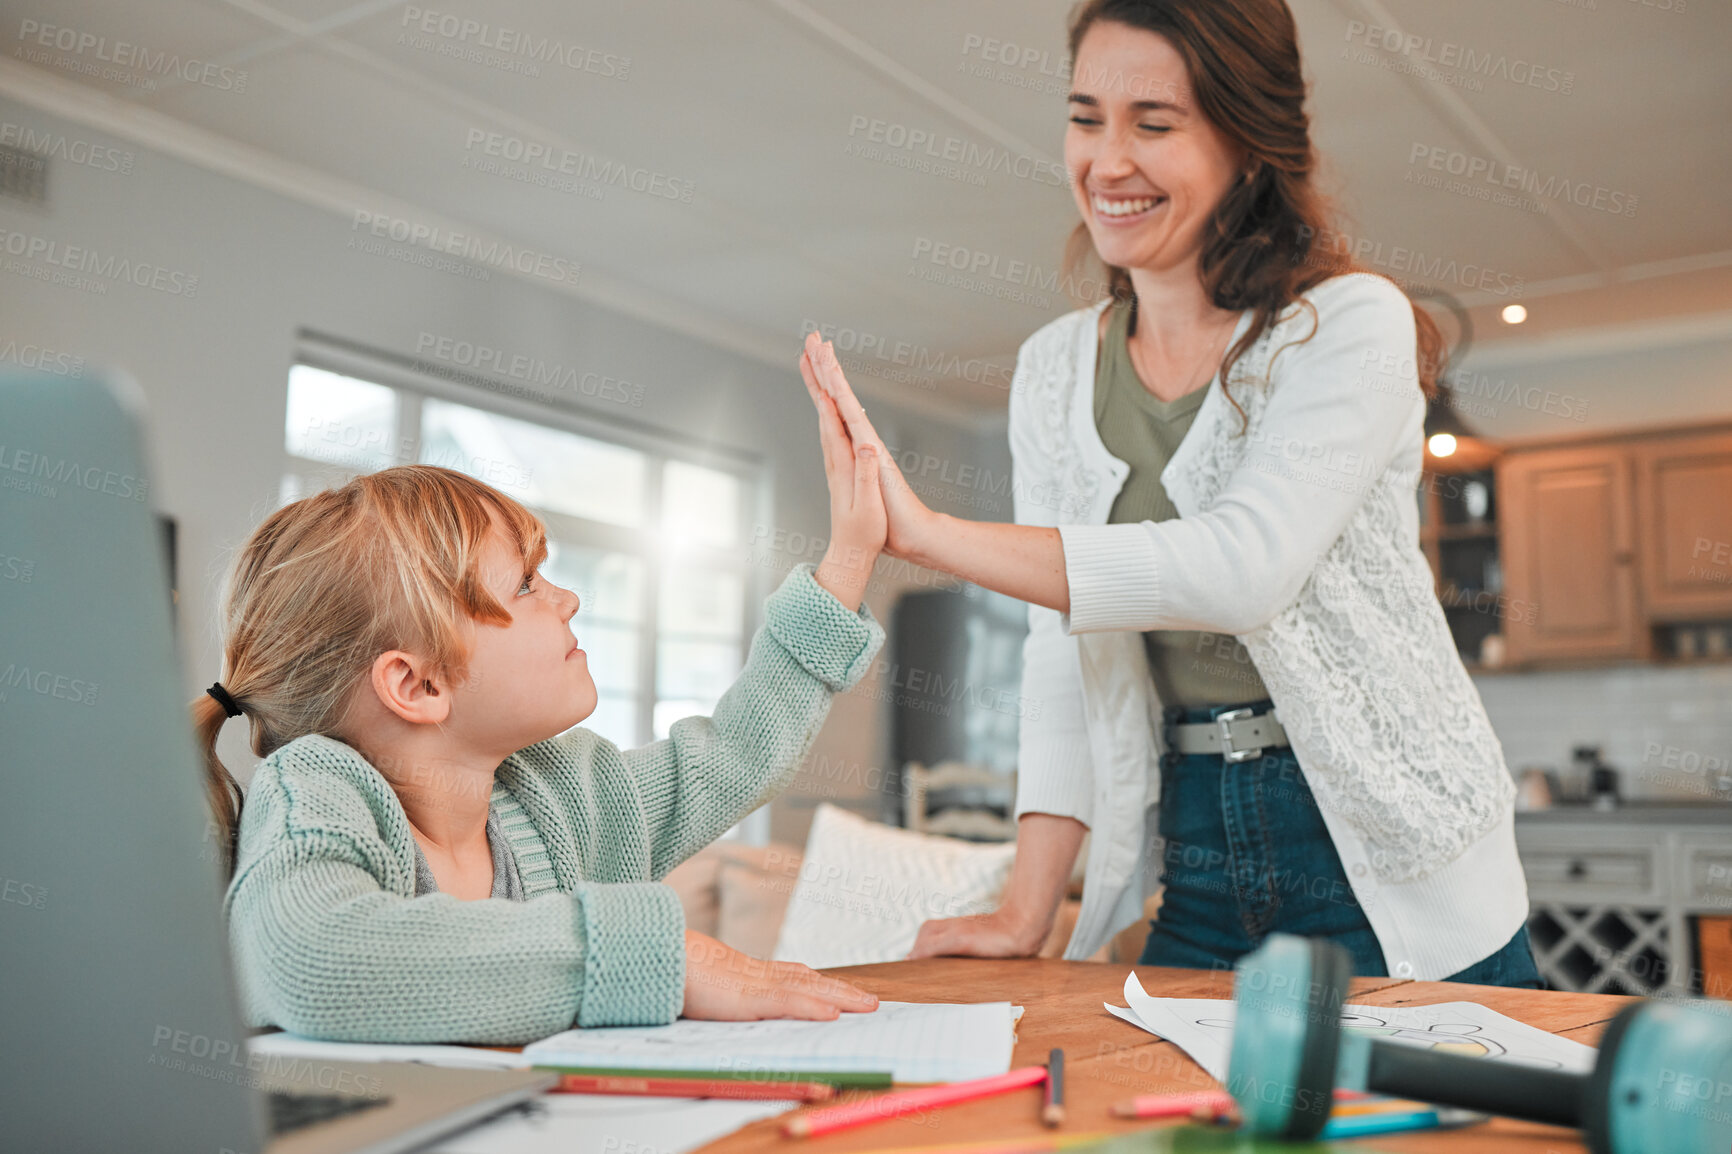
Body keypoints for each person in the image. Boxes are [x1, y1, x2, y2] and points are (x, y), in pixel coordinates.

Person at [796, 0, 1538, 986]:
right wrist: (1026, 906)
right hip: (1191, 839)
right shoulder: (1054, 369)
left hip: (1380, 844)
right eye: (1085, 116)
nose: (1107, 162)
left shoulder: (1350, 325)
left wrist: (928, 535)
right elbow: (1063, 653)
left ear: (1249, 138)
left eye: (1153, 123)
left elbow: (1242, 570)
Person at [199, 367, 888, 1042]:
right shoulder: (314, 791)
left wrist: (851, 556)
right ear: (419, 686)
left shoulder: (567, 796)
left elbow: (736, 754)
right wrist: (658, 960)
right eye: (527, 584)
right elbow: (312, 957)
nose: (568, 599)